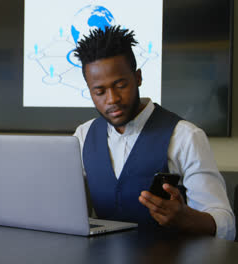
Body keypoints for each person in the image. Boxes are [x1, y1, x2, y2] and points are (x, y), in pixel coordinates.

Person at [72, 25, 235, 240]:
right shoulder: (83, 136)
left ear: (138, 77)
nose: (112, 99)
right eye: (99, 91)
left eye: (120, 85)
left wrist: (186, 217)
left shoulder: (185, 136)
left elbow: (227, 225)